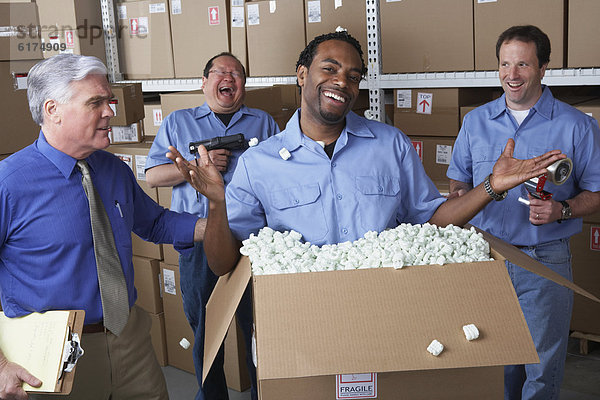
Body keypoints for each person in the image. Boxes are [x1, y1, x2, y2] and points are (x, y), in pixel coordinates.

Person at [165, 31, 564, 280]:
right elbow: (222, 264)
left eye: (354, 76)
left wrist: (491, 187)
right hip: (299, 321)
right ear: (302, 74)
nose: (342, 81)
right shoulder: (258, 163)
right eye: (330, 68)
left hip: (387, 308)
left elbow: (432, 221)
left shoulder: (390, 144)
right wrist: (216, 205)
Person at [0, 54, 204, 400]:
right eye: (96, 102)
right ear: (53, 110)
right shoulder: (9, 183)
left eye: (108, 101)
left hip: (130, 338)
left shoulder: (113, 170)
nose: (110, 111)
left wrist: (218, 227)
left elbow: (154, 223)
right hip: (51, 354)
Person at [446, 25, 600, 400]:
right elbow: (457, 188)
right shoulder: (475, 122)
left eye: (523, 65)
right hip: (485, 257)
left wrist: (561, 209)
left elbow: (596, 192)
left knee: (541, 364)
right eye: (504, 64)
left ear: (544, 68)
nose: (511, 75)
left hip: (543, 259)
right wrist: (482, 193)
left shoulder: (577, 125)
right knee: (495, 360)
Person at [145, 52, 278, 400]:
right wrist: (195, 168)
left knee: (261, 333)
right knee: (205, 333)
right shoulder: (178, 122)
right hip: (200, 238)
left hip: (254, 244)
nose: (230, 79)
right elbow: (153, 176)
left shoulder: (263, 123)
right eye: (221, 72)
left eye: (237, 74)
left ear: (244, 86)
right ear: (204, 82)